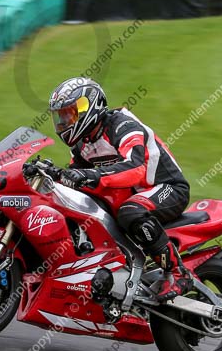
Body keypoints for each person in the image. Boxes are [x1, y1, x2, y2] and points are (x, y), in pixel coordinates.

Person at [48, 77, 192, 301]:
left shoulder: (122, 125)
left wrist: (91, 175)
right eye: (61, 116)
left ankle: (178, 273)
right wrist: (53, 174)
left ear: (90, 106)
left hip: (166, 187)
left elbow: (136, 168)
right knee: (69, 201)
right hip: (132, 192)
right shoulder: (82, 142)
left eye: (70, 113)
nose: (64, 121)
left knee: (130, 211)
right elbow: (74, 177)